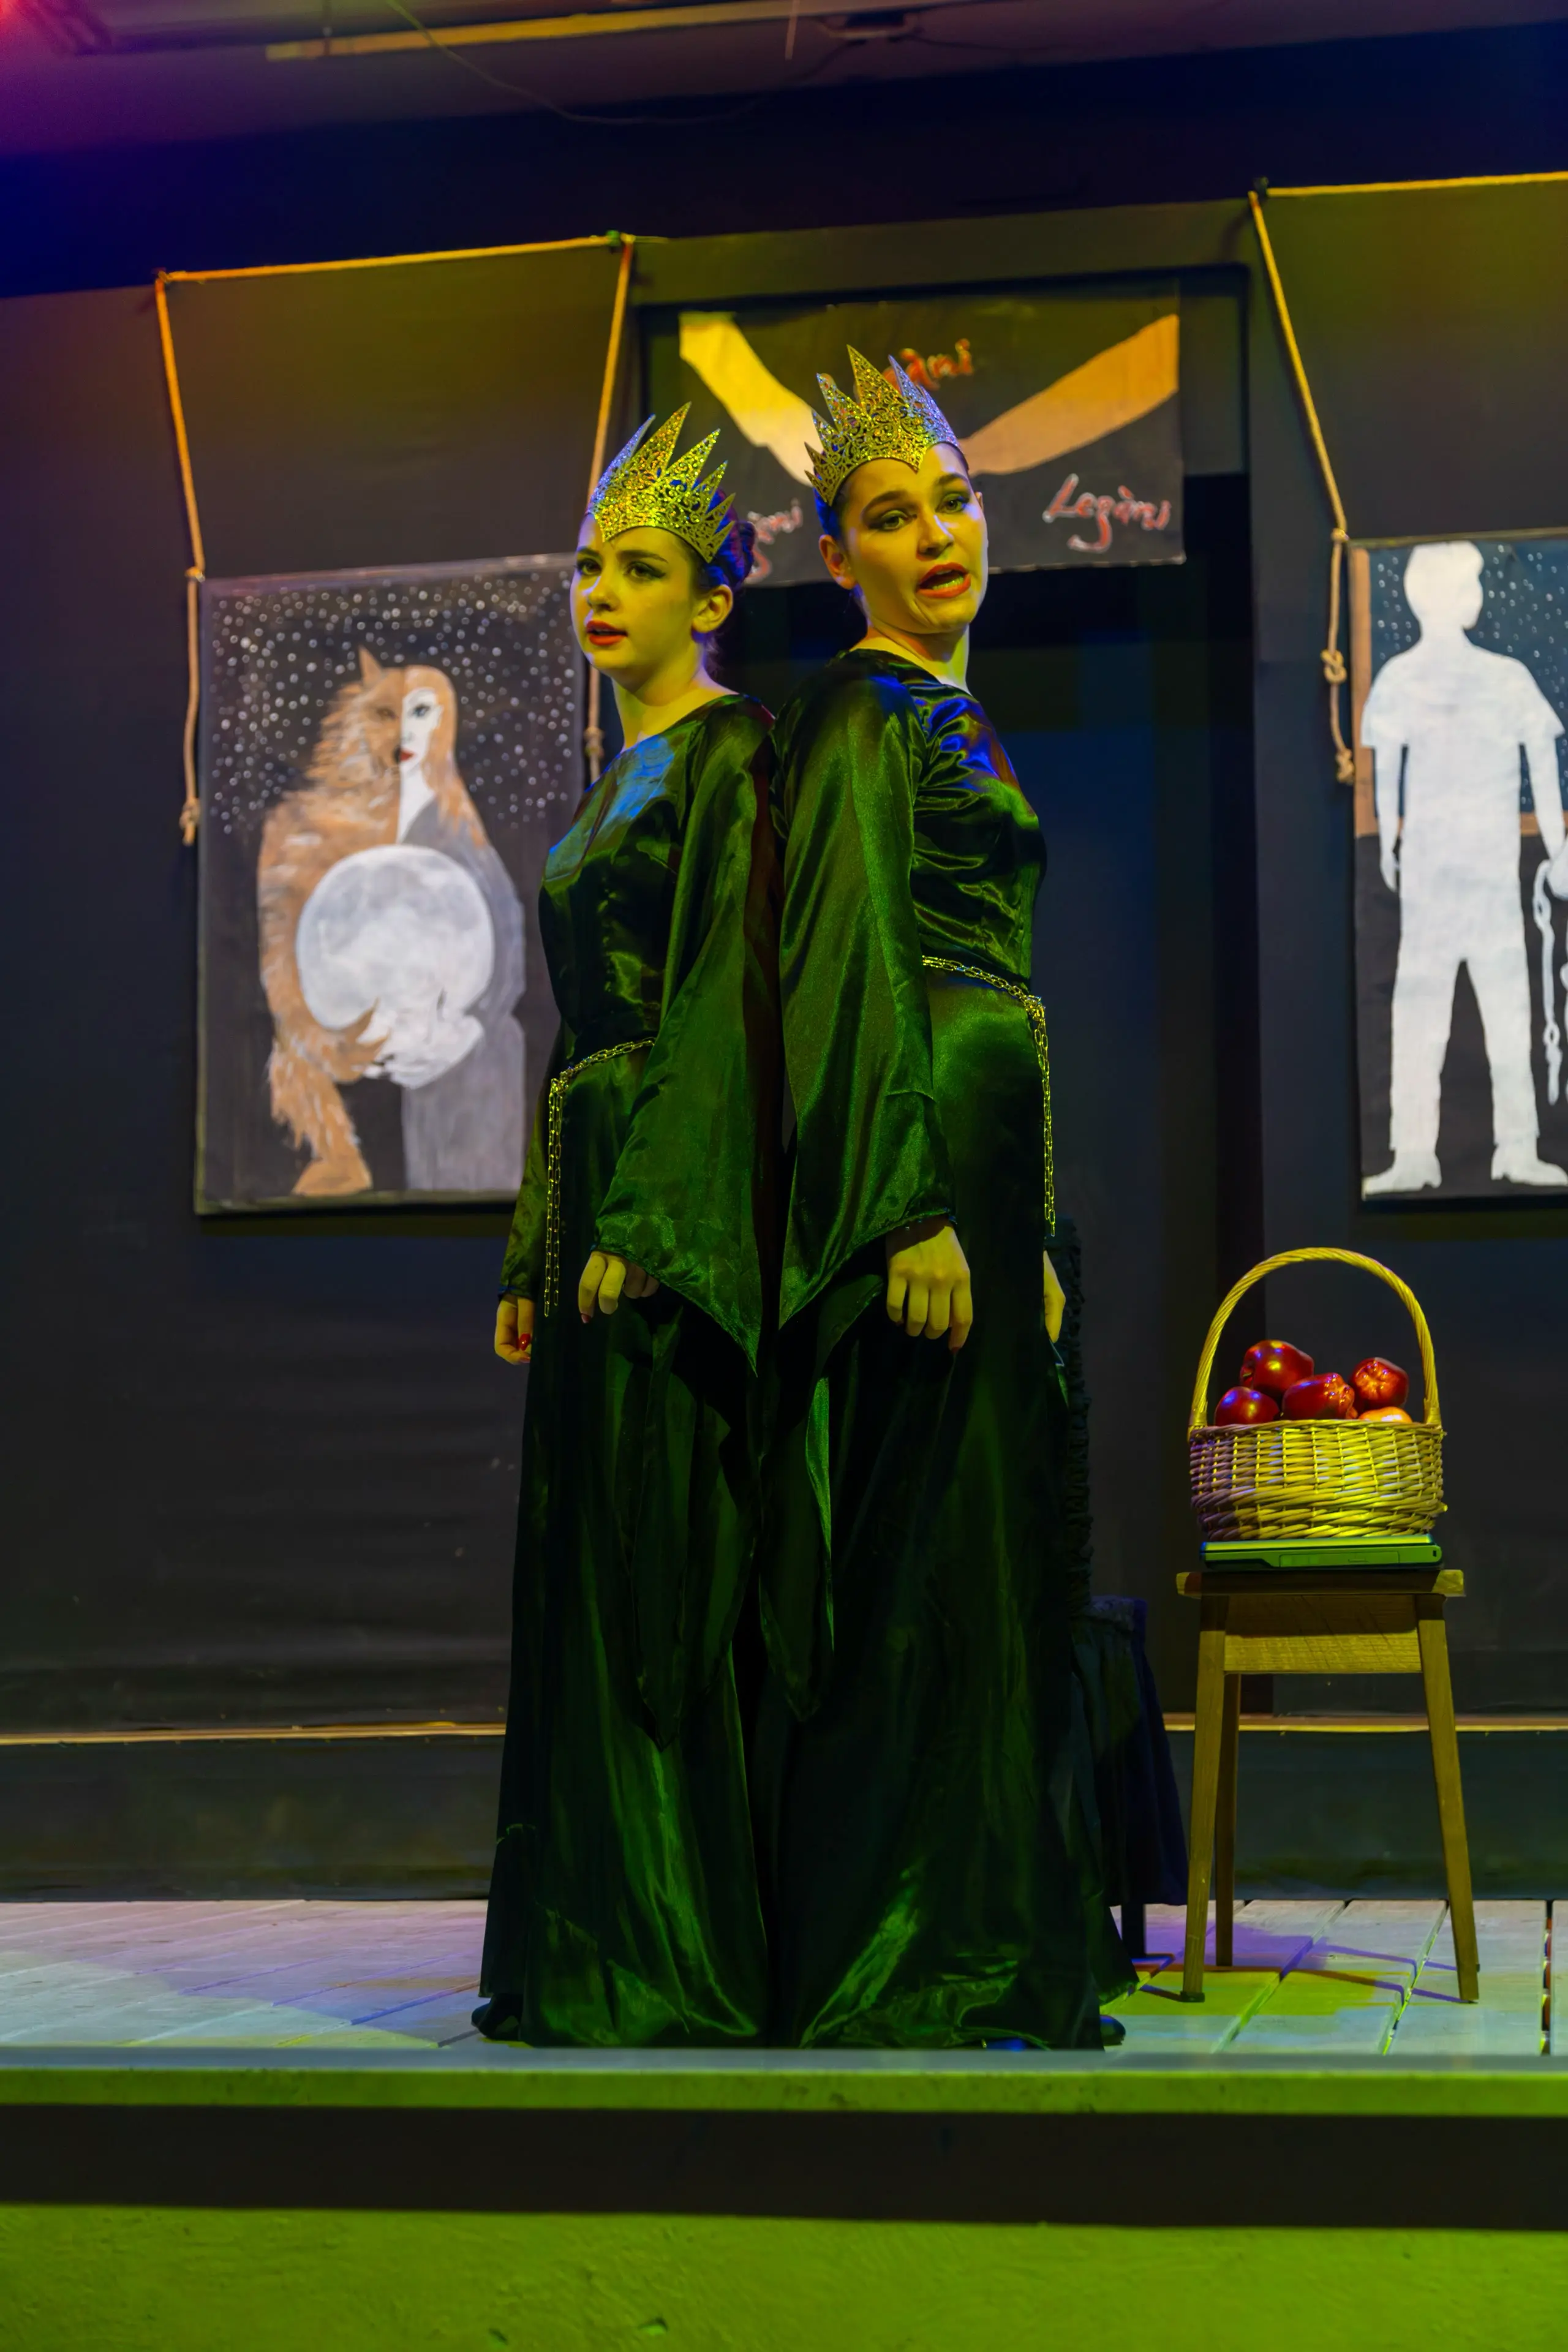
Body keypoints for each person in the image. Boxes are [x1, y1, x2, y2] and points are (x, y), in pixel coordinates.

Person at [755, 351, 1131, 2050]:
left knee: (992, 1540)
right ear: (839, 556)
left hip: (990, 1168)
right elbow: (840, 963)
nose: (936, 535)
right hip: (920, 1177)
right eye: (892, 515)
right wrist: (905, 1206)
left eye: (954, 501)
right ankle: (910, 1940)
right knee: (924, 1541)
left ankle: (990, 1919)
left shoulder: (944, 709)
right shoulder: (859, 709)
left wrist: (1020, 1227)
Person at [473, 410, 778, 2046]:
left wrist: (656, 1208)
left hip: (681, 1187)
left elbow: (728, 1000)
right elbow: (568, 1027)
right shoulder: (617, 777)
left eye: (640, 568)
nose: (601, 590)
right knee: (589, 1554)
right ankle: (586, 1933)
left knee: (668, 1551)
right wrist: (537, 1236)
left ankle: (672, 1947)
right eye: (591, 565)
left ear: (709, 601)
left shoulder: (736, 757)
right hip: (595, 1169)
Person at [1363, 538, 1568, 1193]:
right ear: (1449, 598)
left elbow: (1540, 759)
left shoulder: (1493, 679)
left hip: (1476, 876)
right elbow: (1387, 773)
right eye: (1471, 585)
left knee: (1476, 1009)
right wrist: (1391, 843)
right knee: (1441, 1011)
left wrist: (1558, 848)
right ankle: (1420, 1153)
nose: (1479, 595)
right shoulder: (1426, 680)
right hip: (1442, 879)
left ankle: (1510, 1147)